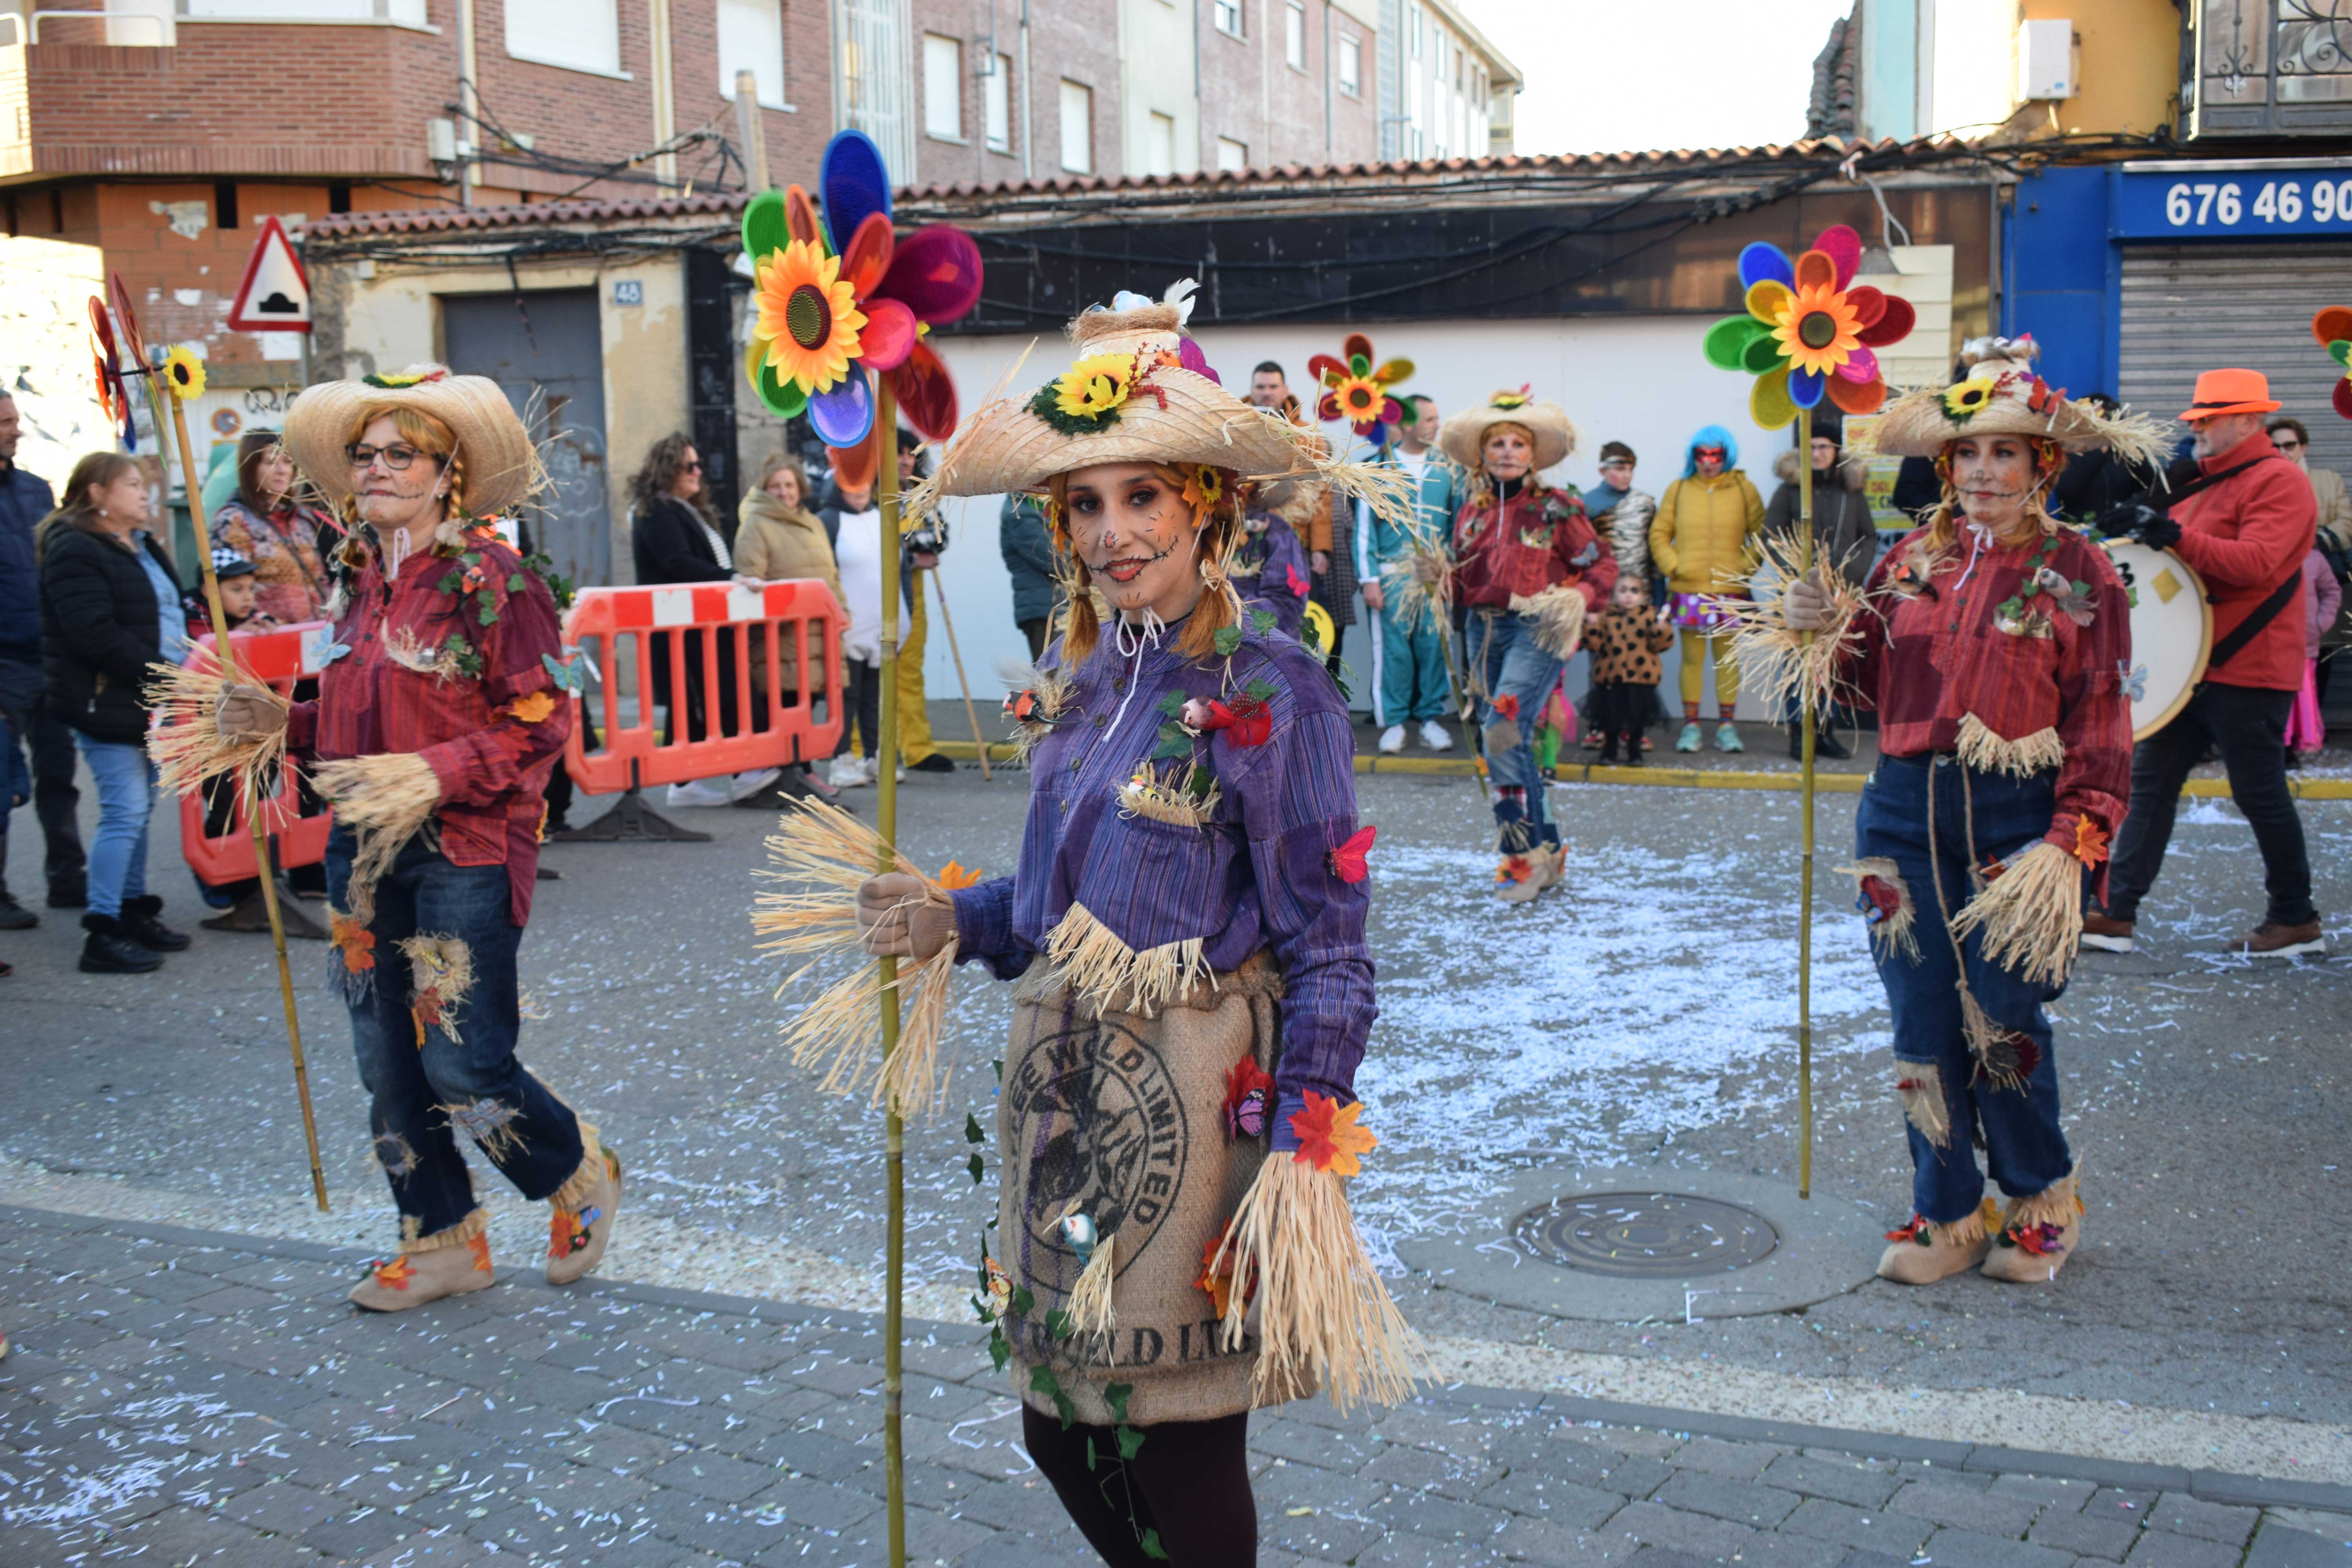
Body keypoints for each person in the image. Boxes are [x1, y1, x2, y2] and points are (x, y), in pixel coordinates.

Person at [859, 287, 1414, 1565]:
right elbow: (1053, 914)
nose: (1113, 535)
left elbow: (1333, 947)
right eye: (1086, 506)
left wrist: (1302, 1153)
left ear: (1206, 504)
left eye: (1142, 499)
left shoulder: (1278, 688)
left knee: (1176, 1433)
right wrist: (949, 919)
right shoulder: (1089, 679)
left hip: (1202, 1097)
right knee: (1061, 1425)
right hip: (1066, 1095)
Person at [207, 364, 620, 1311]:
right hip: (361, 851)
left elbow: (545, 721)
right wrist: (279, 723)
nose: (379, 467)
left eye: (404, 453)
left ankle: (575, 1172)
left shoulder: (496, 580)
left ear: (449, 474)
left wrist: (437, 772)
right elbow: (358, 716)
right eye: (366, 454)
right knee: (385, 1056)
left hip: (465, 851)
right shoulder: (359, 577)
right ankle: (438, 1237)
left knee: (460, 1054)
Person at [1781, 339, 2150, 1286]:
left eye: (2008, 453)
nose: (1985, 470)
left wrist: (2075, 839)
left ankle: (2039, 1195)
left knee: (2002, 1017)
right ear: (1945, 466)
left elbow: (2105, 716)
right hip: (1902, 812)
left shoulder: (2084, 572)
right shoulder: (1911, 558)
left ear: (2043, 467)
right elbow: (1867, 679)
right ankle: (1947, 1211)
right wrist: (1821, 623)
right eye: (1970, 453)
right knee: (1919, 1022)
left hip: (2019, 817)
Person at [2087, 369, 2325, 958]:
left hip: (2249, 662)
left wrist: (2170, 535)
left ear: (2250, 420)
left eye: (2208, 419)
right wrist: (2137, 529)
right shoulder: (2200, 480)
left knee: (2259, 791)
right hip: (2193, 665)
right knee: (2150, 785)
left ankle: (2295, 918)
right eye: (2195, 418)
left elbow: (2254, 564)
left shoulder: (2279, 482)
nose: (2195, 428)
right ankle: (2116, 913)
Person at [1440, 389, 1615, 902]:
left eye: (1519, 443)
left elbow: (1602, 565)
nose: (1508, 452)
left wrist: (1577, 597)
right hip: (1482, 631)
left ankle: (1518, 856)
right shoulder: (1469, 512)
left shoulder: (1557, 509)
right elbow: (1465, 581)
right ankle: (1549, 851)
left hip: (1536, 630)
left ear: (1533, 455)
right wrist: (1439, 580)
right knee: (1510, 741)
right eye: (1498, 443)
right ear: (1483, 453)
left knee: (1500, 731)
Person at [36, 453, 192, 973]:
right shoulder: (75, 550)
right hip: (108, 699)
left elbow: (169, 609)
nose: (146, 494)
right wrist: (165, 676)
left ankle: (129, 909)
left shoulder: (142, 544)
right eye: (132, 485)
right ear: (98, 495)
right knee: (126, 810)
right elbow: (94, 634)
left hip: (148, 698)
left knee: (141, 810)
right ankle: (101, 932)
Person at [628, 432, 780, 808]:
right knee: (713, 694)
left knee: (693, 701)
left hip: (698, 623)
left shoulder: (677, 508)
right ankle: (741, 771)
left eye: (699, 465)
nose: (699, 473)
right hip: (685, 624)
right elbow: (678, 563)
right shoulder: (659, 510)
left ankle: (686, 782)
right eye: (689, 466)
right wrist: (732, 579)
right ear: (668, 471)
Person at [0, 388, 83, 925]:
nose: (16, 428)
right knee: (3, 783)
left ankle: (68, 878)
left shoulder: (35, 490)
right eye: (5, 422)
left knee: (59, 771)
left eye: (14, 419)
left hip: (47, 657)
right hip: (3, 661)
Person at [733, 453, 844, 804]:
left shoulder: (811, 522)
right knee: (786, 707)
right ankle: (786, 778)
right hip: (780, 639)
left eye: (790, 485)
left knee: (808, 707)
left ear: (801, 488)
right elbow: (751, 581)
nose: (784, 492)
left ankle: (804, 773)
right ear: (765, 489)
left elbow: (832, 575)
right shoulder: (756, 525)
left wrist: (843, 612)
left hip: (817, 636)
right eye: (776, 486)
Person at [1762, 421, 1877, 761]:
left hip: (1839, 595)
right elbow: (1772, 537)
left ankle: (1826, 733)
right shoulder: (1788, 491)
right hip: (1799, 595)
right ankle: (1799, 735)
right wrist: (1796, 574)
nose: (1818, 453)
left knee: (1830, 664)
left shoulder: (1851, 492)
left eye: (1825, 447)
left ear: (1837, 451)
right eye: (1811, 447)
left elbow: (1869, 537)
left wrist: (1850, 572)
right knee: (1799, 664)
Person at [1651, 425, 1764, 753]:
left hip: (1730, 590)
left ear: (1728, 456)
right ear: (1693, 457)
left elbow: (1762, 533)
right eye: (1701, 454)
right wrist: (1673, 566)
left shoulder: (1745, 490)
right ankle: (1691, 728)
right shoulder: (1679, 489)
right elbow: (1660, 533)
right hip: (1691, 588)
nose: (1709, 462)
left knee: (1727, 660)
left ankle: (1727, 728)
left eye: (1717, 455)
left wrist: (1745, 568)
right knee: (1691, 659)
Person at [1361, 394, 1457, 754]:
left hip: (1433, 577)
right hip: (1391, 576)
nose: (1436, 426)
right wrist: (1370, 579)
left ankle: (1432, 720)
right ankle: (1394, 723)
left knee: (1434, 647)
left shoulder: (1448, 468)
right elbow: (1364, 531)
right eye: (1429, 420)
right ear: (1407, 424)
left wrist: (1448, 570)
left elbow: (1455, 525)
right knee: (1394, 652)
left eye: (1437, 418)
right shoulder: (1378, 467)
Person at [1248, 362, 1356, 666]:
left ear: (1285, 390)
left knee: (1296, 620)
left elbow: (1321, 497)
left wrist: (1321, 548)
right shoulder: (1235, 426)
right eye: (1261, 387)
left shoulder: (1310, 438)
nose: (1266, 393)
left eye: (1272, 387)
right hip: (1247, 545)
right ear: (1252, 389)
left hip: (1296, 543)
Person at [815, 450, 888, 788]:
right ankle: (840, 757)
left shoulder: (881, 517)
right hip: (846, 624)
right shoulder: (828, 521)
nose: (860, 492)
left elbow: (898, 569)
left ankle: (874, 755)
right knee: (846, 693)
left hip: (880, 623)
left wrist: (906, 614)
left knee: (875, 694)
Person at [211, 430, 332, 624]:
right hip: (268, 636)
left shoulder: (304, 519)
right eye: (270, 462)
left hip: (315, 634)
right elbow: (230, 589)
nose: (282, 470)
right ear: (251, 468)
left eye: (287, 462)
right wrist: (259, 620)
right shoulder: (234, 521)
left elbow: (321, 579)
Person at [890, 430, 954, 774]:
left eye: (910, 453)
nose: (905, 460)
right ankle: (861, 749)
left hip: (912, 595)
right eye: (898, 453)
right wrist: (914, 556)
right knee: (871, 676)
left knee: (910, 673)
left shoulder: (920, 497)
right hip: (878, 596)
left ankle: (916, 749)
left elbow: (938, 536)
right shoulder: (868, 498)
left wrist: (914, 549)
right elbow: (875, 546)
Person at [1584, 574, 1674, 766]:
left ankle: (1635, 752)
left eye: (1634, 591)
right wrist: (1591, 626)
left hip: (1641, 679)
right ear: (1614, 595)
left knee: (1637, 718)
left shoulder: (1649, 616)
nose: (1629, 596)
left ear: (1643, 596)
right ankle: (1610, 751)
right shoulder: (1606, 617)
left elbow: (1660, 646)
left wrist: (1661, 628)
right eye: (1623, 591)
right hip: (1611, 678)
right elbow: (1595, 645)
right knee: (1610, 718)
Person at [2051, 395, 2156, 524]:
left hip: (2120, 534)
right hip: (2080, 532)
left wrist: (2131, 449)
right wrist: (2099, 451)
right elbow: (2067, 490)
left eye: (2103, 419)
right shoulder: (2071, 452)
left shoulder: (2121, 455)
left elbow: (2151, 486)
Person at [1230, 479, 1313, 640]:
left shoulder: (1277, 533)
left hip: (1258, 652)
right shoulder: (1200, 529)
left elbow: (1286, 605)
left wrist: (1228, 618)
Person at [2287, 539, 2341, 764]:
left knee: (2302, 698)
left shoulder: (2316, 559)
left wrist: (2320, 624)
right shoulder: (2271, 555)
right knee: (2278, 698)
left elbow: (2332, 592)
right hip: (2272, 643)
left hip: (2305, 642)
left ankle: (2296, 744)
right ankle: (2283, 746)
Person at [2269, 416, 2352, 550]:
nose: (2282, 452)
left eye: (2289, 446)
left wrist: (2319, 540)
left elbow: (2347, 522)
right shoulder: (2259, 485)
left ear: (2303, 448)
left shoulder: (2330, 481)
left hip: (2321, 559)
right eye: (2275, 446)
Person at [1000, 490, 1061, 661]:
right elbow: (1057, 561)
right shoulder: (1020, 515)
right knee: (1054, 677)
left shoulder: (1041, 508)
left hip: (1054, 609)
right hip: (1046, 612)